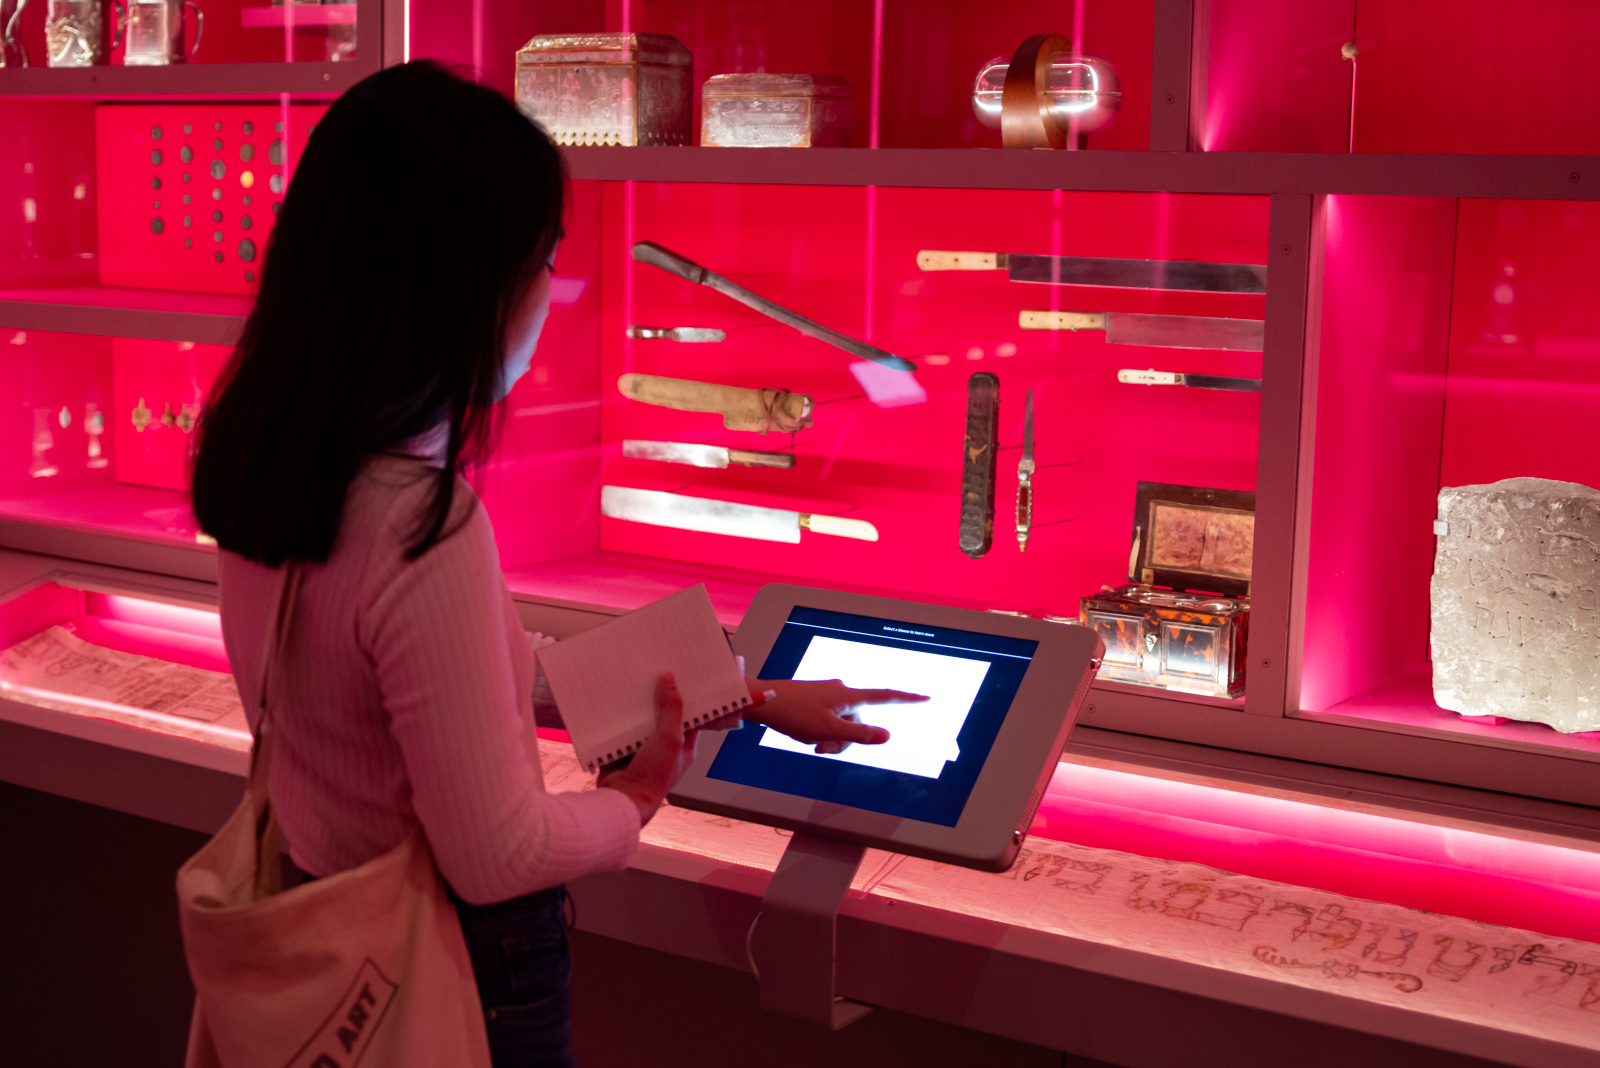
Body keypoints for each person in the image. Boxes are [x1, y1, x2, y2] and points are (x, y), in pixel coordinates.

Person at [190, 61, 923, 1068]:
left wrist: (741, 694)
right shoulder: (420, 521)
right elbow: (500, 856)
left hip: (322, 911)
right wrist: (634, 802)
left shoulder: (268, 459)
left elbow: (467, 676)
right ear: (464, 285)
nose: (552, 291)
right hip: (452, 966)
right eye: (544, 258)